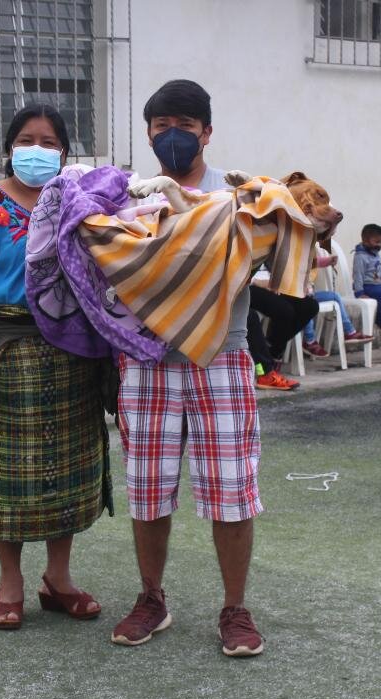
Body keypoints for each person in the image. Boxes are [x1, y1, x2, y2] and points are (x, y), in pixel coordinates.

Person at [111, 79, 265, 657]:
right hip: (147, 358)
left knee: (232, 487)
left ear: (207, 132)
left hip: (220, 354)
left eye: (184, 125)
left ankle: (235, 609)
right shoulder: (128, 200)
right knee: (147, 486)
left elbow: (279, 242)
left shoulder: (240, 197)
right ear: (148, 132)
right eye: (161, 126)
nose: (172, 136)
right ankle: (152, 598)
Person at [0, 104, 111, 631]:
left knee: (67, 468)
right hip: (6, 349)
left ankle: (58, 580)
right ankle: (10, 583)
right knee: (7, 474)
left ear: (64, 152)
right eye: (25, 139)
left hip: (72, 349)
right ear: (9, 147)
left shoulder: (77, 201)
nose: (36, 149)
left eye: (48, 141)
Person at [301, 246, 372, 357]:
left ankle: (350, 332)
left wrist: (328, 261)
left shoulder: (309, 251)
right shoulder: (296, 252)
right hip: (299, 296)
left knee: (335, 296)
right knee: (308, 304)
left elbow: (314, 262)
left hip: (311, 294)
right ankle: (309, 341)